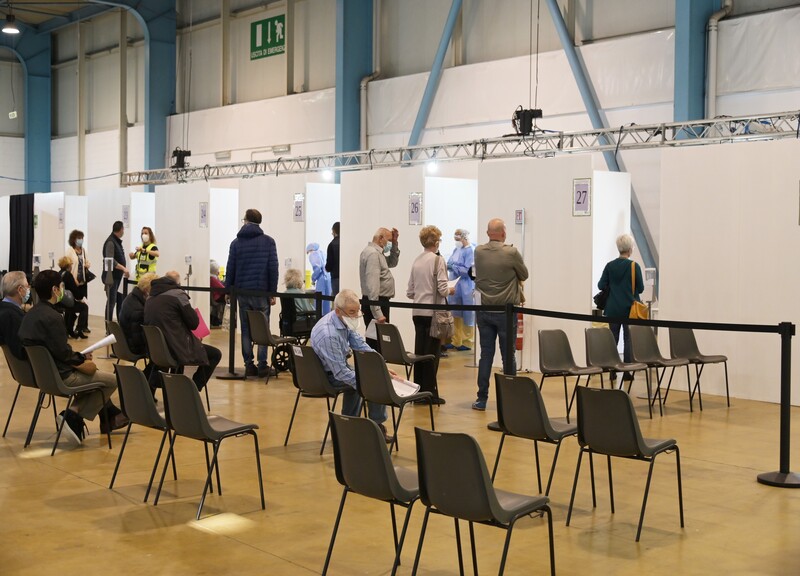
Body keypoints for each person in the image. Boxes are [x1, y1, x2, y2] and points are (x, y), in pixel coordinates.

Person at [19, 269, 127, 443]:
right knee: (111, 381)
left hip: (43, 375)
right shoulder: (53, 317)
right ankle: (73, 414)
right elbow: (64, 354)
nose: (63, 289)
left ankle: (109, 416)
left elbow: (56, 350)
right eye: (61, 286)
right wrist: (83, 360)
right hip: (62, 376)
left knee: (94, 377)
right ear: (55, 289)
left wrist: (79, 357)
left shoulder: (29, 315)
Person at [310, 289, 392, 443]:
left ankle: (350, 425)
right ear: (338, 311)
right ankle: (374, 426)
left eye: (357, 311)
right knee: (373, 381)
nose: (356, 315)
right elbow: (340, 373)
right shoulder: (329, 334)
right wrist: (367, 382)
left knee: (374, 376)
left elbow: (360, 344)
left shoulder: (340, 320)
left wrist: (380, 365)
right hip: (326, 376)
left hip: (333, 370)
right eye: (352, 312)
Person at [472, 218, 529, 411]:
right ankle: (511, 398)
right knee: (508, 355)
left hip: (484, 311)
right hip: (505, 311)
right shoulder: (511, 252)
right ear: (504, 233)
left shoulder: (478, 251)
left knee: (485, 355)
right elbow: (524, 274)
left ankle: (481, 398)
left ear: (488, 233)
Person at [143, 271, 222, 392]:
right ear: (177, 283)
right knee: (215, 354)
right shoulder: (178, 295)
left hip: (157, 350)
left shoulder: (150, 297)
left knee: (181, 343)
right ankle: (192, 390)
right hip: (175, 348)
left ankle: (175, 390)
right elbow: (194, 323)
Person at [225, 208, 279, 379]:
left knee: (246, 329)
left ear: (246, 221)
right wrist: (272, 292)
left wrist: (228, 289)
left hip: (242, 292)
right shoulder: (269, 242)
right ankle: (263, 365)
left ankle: (249, 365)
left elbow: (230, 268)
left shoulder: (236, 243)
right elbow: (273, 268)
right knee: (263, 328)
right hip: (261, 292)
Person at [406, 225, 453, 404]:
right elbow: (443, 288)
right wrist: (451, 289)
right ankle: (430, 393)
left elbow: (410, 292)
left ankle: (418, 391)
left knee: (420, 352)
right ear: (436, 241)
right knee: (432, 353)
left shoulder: (417, 260)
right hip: (432, 313)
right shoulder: (437, 260)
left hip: (417, 311)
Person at [597, 233, 644, 378]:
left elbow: (600, 285)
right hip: (629, 309)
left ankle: (612, 370)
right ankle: (627, 372)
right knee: (628, 340)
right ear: (630, 249)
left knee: (613, 338)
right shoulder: (633, 266)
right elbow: (641, 288)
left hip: (612, 308)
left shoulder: (610, 266)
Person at [359, 227, 400, 350]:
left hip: (377, 301)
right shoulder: (372, 254)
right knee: (376, 343)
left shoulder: (377, 253)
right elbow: (373, 284)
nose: (389, 243)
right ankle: (376, 368)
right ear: (381, 238)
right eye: (388, 240)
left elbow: (392, 262)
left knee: (379, 341)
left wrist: (395, 244)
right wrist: (377, 312)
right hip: (376, 302)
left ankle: (377, 368)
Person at [119, 272, 157, 381]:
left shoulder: (130, 298)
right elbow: (139, 339)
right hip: (133, 346)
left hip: (124, 343)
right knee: (162, 355)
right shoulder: (138, 309)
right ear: (147, 290)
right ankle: (145, 384)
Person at [446, 228, 476, 351]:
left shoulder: (470, 251)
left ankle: (467, 341)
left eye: (458, 239)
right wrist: (451, 266)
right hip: (455, 285)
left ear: (464, 237)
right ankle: (456, 340)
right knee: (455, 313)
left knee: (467, 314)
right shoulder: (456, 249)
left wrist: (455, 267)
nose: (456, 241)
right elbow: (450, 262)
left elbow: (468, 270)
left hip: (466, 286)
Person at [65, 229, 93, 333]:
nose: (81, 240)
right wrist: (73, 279)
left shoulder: (84, 250)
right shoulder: (70, 251)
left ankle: (82, 326)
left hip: (83, 281)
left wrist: (87, 264)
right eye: (79, 238)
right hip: (73, 281)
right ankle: (68, 326)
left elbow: (87, 261)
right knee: (72, 304)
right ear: (73, 239)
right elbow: (68, 266)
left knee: (84, 302)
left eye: (82, 238)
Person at [0, 271, 30, 360]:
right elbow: (22, 352)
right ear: (20, 289)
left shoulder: (3, 309)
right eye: (27, 286)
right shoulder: (14, 316)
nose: (29, 289)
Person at [103, 221, 129, 322]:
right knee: (111, 303)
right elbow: (110, 259)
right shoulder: (111, 242)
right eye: (123, 229)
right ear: (121, 229)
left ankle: (119, 326)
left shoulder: (116, 241)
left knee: (119, 301)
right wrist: (123, 268)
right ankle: (108, 328)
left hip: (117, 277)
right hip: (111, 277)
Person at [58, 256, 89, 339]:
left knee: (71, 310)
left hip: (60, 301)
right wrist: (81, 298)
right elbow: (75, 291)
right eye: (71, 265)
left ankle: (69, 330)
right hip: (66, 302)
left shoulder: (59, 273)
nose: (72, 266)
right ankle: (79, 330)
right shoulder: (68, 275)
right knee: (84, 307)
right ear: (68, 265)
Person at [306, 242, 332, 314]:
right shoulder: (322, 253)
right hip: (328, 278)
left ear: (310, 250)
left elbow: (317, 268)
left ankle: (318, 319)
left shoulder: (313, 254)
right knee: (327, 301)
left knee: (319, 302)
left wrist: (313, 278)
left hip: (321, 279)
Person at [209, 260, 226, 328]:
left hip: (216, 296)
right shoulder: (213, 279)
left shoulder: (212, 278)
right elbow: (222, 289)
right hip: (217, 297)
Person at [325, 221, 340, 297]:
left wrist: (326, 268)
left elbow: (329, 265)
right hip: (344, 276)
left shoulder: (332, 245)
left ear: (334, 231)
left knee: (337, 300)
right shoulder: (345, 243)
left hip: (335, 278)